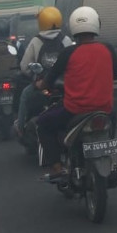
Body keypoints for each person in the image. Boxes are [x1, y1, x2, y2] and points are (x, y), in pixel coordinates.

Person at [34, 6, 117, 180]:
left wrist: (39, 84)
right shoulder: (108, 49)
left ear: (73, 27)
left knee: (42, 123)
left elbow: (49, 79)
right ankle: (108, 154)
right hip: (105, 108)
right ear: (97, 24)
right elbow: (115, 75)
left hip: (74, 109)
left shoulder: (68, 52)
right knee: (113, 118)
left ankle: (58, 169)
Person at [15, 7, 73, 136]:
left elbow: (25, 66)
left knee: (25, 95)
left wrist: (33, 76)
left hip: (43, 84)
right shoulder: (66, 40)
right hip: (65, 85)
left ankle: (20, 128)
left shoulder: (36, 41)